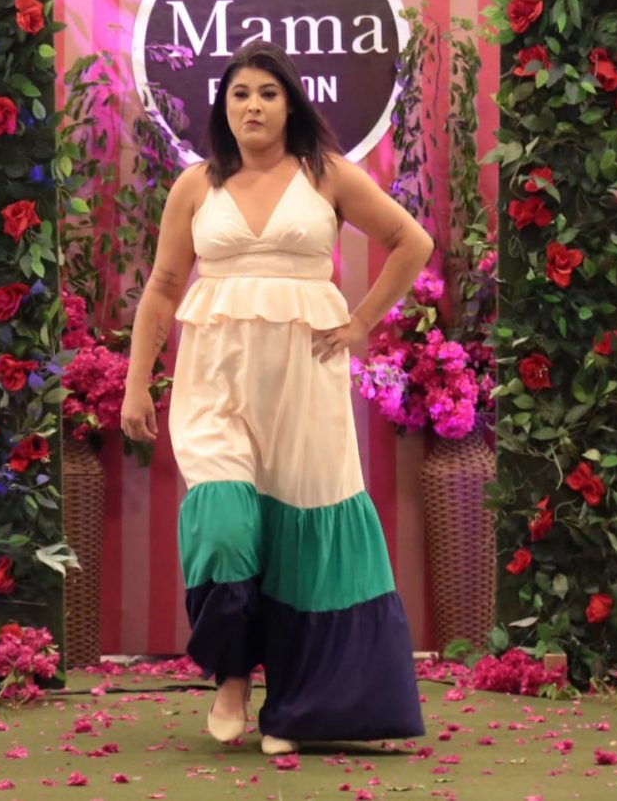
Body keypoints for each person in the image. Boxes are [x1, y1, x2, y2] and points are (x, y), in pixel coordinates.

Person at [120, 40, 433, 754]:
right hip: (214, 386)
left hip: (304, 386)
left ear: (290, 103)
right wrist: (137, 382)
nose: (253, 106)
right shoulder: (195, 185)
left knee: (306, 535)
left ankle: (300, 710)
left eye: (267, 92)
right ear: (223, 108)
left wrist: (360, 322)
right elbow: (163, 288)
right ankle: (232, 674)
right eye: (240, 94)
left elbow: (409, 241)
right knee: (223, 528)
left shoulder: (327, 174)